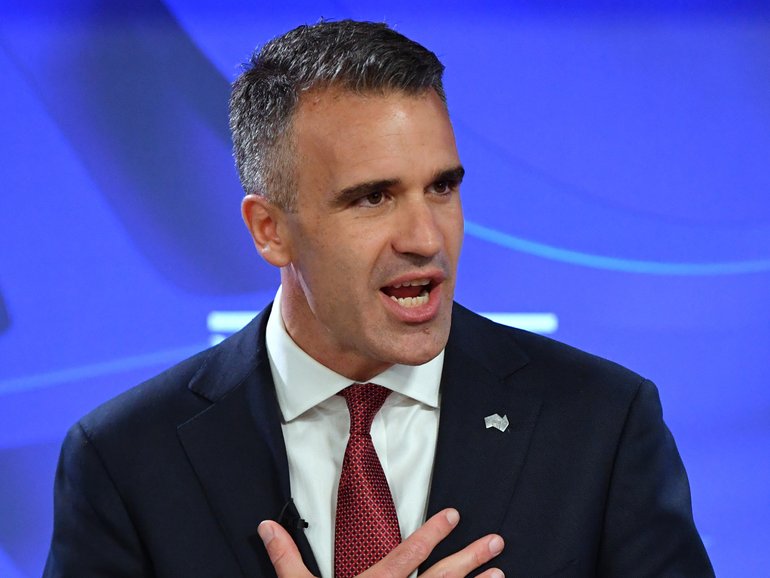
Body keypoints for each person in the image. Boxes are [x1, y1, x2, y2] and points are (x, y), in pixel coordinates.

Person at [43, 19, 714, 578]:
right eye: (373, 197)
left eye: (442, 188)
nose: (427, 237)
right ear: (268, 229)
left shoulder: (601, 424)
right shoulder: (126, 460)